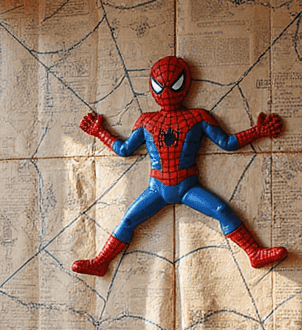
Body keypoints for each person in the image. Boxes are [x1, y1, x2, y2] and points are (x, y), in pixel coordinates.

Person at [73, 55, 288, 276]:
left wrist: (258, 131)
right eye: (160, 86)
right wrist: (99, 131)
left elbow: (227, 143)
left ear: (185, 84)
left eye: (173, 85)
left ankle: (254, 253)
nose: (166, 92)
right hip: (157, 188)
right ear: (152, 87)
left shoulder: (198, 117)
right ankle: (101, 262)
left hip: (187, 187)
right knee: (128, 219)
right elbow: (125, 149)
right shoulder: (147, 121)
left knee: (221, 210)